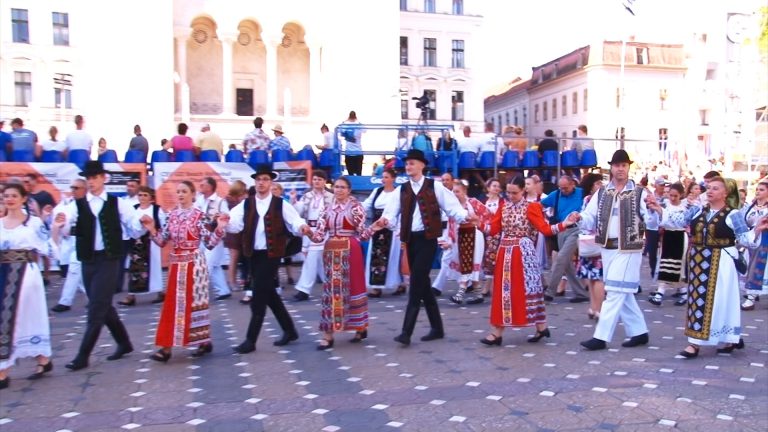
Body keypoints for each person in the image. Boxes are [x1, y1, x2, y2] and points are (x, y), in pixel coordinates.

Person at [55, 161, 149, 370]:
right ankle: (124, 343)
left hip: (109, 259)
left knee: (96, 307)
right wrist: (61, 222)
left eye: (95, 177)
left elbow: (133, 226)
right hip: (88, 260)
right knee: (102, 304)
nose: (91, 182)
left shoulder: (118, 203)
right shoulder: (77, 205)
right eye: (88, 178)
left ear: (103, 178)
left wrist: (142, 224)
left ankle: (83, 355)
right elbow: (66, 223)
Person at [648, 176, 757, 358]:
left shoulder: (733, 214)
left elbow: (745, 239)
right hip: (699, 260)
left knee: (721, 301)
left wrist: (758, 230)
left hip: (721, 262)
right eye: (709, 188)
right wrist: (659, 209)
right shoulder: (698, 210)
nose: (710, 191)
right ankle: (694, 343)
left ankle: (729, 338)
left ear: (725, 193)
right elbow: (679, 220)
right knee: (697, 300)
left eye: (715, 188)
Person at [377, 149, 474, 346]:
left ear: (422, 165)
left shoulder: (435, 187)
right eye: (407, 163)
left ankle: (406, 332)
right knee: (423, 286)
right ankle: (437, 328)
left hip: (428, 240)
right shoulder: (401, 190)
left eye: (412, 163)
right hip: (410, 240)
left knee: (416, 282)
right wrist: (385, 220)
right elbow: (390, 212)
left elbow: (451, 206)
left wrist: (464, 216)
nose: (408, 166)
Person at [480, 176, 578, 347]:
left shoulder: (531, 207)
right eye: (508, 192)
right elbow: (493, 229)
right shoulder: (504, 207)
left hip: (523, 254)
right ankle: (499, 331)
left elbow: (545, 229)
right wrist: (479, 224)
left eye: (514, 193)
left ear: (523, 190)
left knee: (526, 292)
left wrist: (565, 224)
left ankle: (538, 327)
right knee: (505, 292)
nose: (510, 196)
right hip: (505, 252)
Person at [575, 150, 656, 351]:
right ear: (611, 167)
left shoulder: (640, 193)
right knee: (622, 291)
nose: (620, 169)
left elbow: (652, 221)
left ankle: (601, 337)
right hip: (607, 248)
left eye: (624, 165)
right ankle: (639, 332)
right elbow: (589, 217)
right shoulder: (602, 193)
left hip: (629, 248)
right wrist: (578, 218)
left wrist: (655, 209)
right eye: (617, 165)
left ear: (628, 167)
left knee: (614, 290)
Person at [226, 167, 311, 354]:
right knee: (269, 294)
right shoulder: (247, 204)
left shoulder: (280, 204)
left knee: (258, 296)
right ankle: (289, 330)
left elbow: (294, 221)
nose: (261, 182)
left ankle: (250, 340)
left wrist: (302, 227)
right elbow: (235, 223)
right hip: (252, 255)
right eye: (258, 179)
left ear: (270, 182)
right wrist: (225, 221)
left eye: (265, 179)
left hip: (271, 255)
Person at [142, 181, 227, 362]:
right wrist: (151, 229)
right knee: (172, 305)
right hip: (176, 265)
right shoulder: (171, 215)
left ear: (192, 194)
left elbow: (209, 244)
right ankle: (166, 347)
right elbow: (162, 241)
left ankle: (201, 341)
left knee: (195, 304)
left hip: (194, 265)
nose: (180, 194)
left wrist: (219, 228)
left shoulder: (199, 216)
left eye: (184, 191)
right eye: (178, 191)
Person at [309, 177, 374, 349]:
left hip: (351, 250)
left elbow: (363, 234)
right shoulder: (326, 209)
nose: (339, 190)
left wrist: (375, 227)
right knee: (331, 291)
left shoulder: (355, 208)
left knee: (354, 287)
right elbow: (318, 236)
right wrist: (307, 231)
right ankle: (328, 334)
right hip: (331, 252)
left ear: (349, 190)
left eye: (342, 187)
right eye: (336, 187)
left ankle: (359, 326)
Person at [0, 183, 53, 389]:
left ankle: (6, 369)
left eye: (14, 195)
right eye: (6, 196)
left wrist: (55, 228)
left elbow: (47, 247)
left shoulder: (33, 223)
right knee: (10, 317)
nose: (9, 199)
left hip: (25, 273)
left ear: (23, 199)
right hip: (3, 272)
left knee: (21, 315)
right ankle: (39, 359)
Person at [541, 175, 587, 302]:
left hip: (576, 229)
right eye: (561, 188)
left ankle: (550, 291)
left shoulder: (581, 193)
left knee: (561, 257)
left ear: (573, 184)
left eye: (565, 188)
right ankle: (581, 293)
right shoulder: (555, 195)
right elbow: (540, 205)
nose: (563, 191)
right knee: (566, 264)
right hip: (561, 230)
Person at [361, 168, 406, 298]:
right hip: (377, 228)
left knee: (392, 258)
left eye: (386, 177)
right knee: (375, 257)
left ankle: (398, 284)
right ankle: (376, 287)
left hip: (391, 229)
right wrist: (353, 206)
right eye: (383, 177)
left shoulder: (398, 193)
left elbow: (401, 212)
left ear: (393, 179)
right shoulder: (377, 191)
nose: (383, 179)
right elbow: (366, 205)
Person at [118, 187, 166, 306]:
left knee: (153, 267)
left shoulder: (156, 209)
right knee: (134, 268)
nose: (142, 198)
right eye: (140, 195)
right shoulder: (134, 209)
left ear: (151, 198)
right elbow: (128, 225)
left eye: (145, 195)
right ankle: (131, 295)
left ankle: (159, 292)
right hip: (136, 243)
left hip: (152, 242)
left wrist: (154, 230)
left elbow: (164, 225)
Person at [291, 170, 334, 301]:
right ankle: (332, 288)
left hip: (325, 231)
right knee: (318, 260)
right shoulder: (307, 196)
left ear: (324, 181)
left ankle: (305, 289)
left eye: (319, 179)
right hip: (310, 229)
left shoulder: (331, 196)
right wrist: (294, 200)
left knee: (316, 260)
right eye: (315, 179)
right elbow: (300, 211)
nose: (317, 182)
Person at [448, 180, 489, 305]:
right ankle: (478, 293)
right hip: (462, 235)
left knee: (471, 263)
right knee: (466, 263)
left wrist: (479, 221)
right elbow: (451, 223)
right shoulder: (453, 206)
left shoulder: (473, 202)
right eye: (453, 191)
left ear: (464, 191)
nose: (455, 194)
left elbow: (488, 214)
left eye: (458, 191)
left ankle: (460, 294)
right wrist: (451, 239)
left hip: (475, 235)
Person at [50, 179, 88, 313]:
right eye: (72, 188)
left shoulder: (91, 204)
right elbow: (62, 219)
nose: (73, 190)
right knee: (75, 271)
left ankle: (65, 302)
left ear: (85, 189)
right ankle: (91, 298)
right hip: (71, 240)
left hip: (87, 243)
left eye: (76, 188)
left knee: (75, 270)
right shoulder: (69, 205)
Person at [648, 183, 688, 307]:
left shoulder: (685, 207)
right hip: (668, 236)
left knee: (676, 266)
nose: (673, 198)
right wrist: (656, 209)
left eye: (675, 196)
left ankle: (661, 293)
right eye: (671, 195)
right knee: (666, 264)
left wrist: (660, 211)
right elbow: (658, 221)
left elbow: (680, 221)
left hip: (680, 236)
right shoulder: (665, 204)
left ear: (681, 195)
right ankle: (682, 292)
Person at [194, 177, 230, 301]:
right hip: (201, 236)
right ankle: (223, 290)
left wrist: (219, 219)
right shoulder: (199, 200)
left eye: (203, 184)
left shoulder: (220, 202)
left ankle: (197, 293)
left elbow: (226, 218)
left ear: (210, 187)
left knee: (206, 265)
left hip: (215, 237)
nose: (200, 186)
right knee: (214, 265)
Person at [576, 173, 605, 319]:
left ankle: (594, 307)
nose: (600, 185)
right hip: (597, 241)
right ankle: (597, 308)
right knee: (597, 277)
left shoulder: (587, 200)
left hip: (587, 241)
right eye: (597, 183)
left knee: (593, 277)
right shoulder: (594, 200)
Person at [741, 178, 768, 310]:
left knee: (761, 268)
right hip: (752, 239)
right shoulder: (750, 207)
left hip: (765, 240)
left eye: (761, 190)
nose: (758, 192)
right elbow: (744, 222)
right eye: (757, 189)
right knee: (750, 266)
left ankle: (752, 296)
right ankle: (751, 295)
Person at [431, 172, 457, 297]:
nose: (445, 182)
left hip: (455, 229)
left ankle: (437, 287)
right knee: (454, 257)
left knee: (446, 257)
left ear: (453, 181)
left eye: (447, 180)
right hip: (442, 229)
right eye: (443, 180)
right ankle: (469, 284)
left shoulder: (457, 194)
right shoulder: (438, 195)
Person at [223, 181, 248, 301]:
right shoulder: (229, 201)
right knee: (234, 256)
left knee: (239, 256)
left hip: (240, 231)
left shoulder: (234, 199)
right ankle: (232, 281)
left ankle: (238, 280)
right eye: (244, 190)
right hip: (233, 232)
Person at [481, 178, 504, 297]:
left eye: (498, 186)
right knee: (486, 259)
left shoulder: (503, 202)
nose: (496, 188)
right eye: (494, 186)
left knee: (493, 259)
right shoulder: (483, 201)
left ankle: (488, 287)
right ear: (488, 187)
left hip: (497, 234)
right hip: (484, 233)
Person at [644, 177, 667, 278]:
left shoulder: (667, 197)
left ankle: (662, 273)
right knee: (652, 252)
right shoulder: (650, 196)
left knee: (665, 252)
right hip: (651, 227)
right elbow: (648, 210)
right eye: (660, 185)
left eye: (663, 185)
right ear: (656, 185)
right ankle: (654, 272)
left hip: (664, 227)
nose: (662, 187)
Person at [341, 111, 363, 176]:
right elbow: (365, 131)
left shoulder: (345, 124)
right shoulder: (359, 124)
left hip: (348, 151)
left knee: (350, 174)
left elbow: (341, 133)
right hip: (358, 151)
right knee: (359, 173)